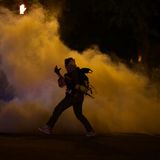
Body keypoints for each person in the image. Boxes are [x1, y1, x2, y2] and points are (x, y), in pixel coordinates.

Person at [39, 57, 95, 137]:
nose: (68, 68)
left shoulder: (73, 73)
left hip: (73, 97)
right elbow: (62, 84)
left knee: (58, 108)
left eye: (68, 66)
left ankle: (48, 127)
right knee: (79, 114)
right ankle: (91, 131)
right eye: (67, 66)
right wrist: (58, 74)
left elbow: (63, 84)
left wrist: (73, 86)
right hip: (79, 97)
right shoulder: (74, 73)